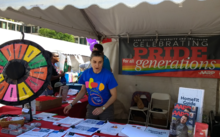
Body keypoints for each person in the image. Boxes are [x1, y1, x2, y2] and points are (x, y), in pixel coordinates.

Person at [64, 51, 118, 121]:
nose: (97, 65)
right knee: (89, 128)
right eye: (94, 62)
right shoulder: (86, 73)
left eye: (100, 62)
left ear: (103, 62)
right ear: (90, 61)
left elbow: (114, 96)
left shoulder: (109, 75)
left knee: (106, 130)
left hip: (106, 108)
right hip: (91, 107)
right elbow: (83, 91)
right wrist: (71, 104)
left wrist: (103, 108)